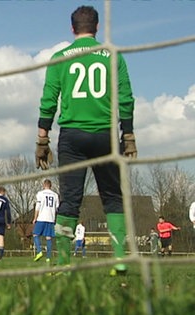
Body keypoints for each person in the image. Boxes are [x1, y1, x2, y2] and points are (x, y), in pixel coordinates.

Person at [34, 6, 136, 276]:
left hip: (72, 137)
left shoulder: (59, 58)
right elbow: (126, 98)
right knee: (113, 196)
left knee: (69, 200)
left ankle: (64, 263)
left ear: (72, 29)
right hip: (105, 135)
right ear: (97, 27)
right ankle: (119, 260)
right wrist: (128, 135)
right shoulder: (113, 56)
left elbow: (48, 100)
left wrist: (42, 138)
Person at [32, 179, 59, 263]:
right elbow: (57, 207)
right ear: (51, 186)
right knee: (48, 238)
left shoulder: (40, 194)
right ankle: (48, 258)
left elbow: (37, 207)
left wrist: (35, 218)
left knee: (35, 234)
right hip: (51, 219)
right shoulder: (55, 195)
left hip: (42, 218)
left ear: (44, 185)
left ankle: (39, 251)